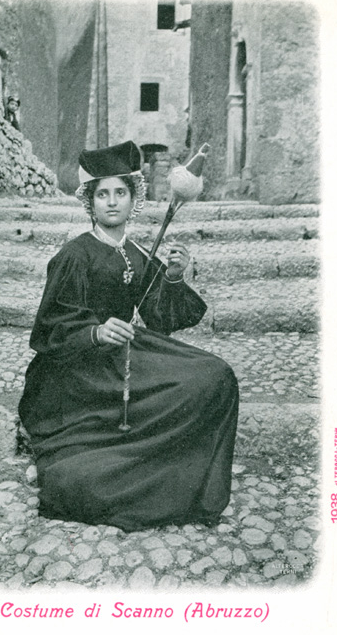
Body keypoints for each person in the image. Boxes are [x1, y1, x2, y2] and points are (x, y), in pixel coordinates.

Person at [18, 141, 238, 533]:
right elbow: (49, 327)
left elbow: (158, 314)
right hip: (77, 372)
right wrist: (95, 333)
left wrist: (171, 277)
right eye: (102, 194)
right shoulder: (74, 256)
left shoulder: (136, 253)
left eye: (121, 192)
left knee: (215, 375)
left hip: (125, 352)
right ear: (91, 203)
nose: (112, 202)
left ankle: (184, 473)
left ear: (133, 199)